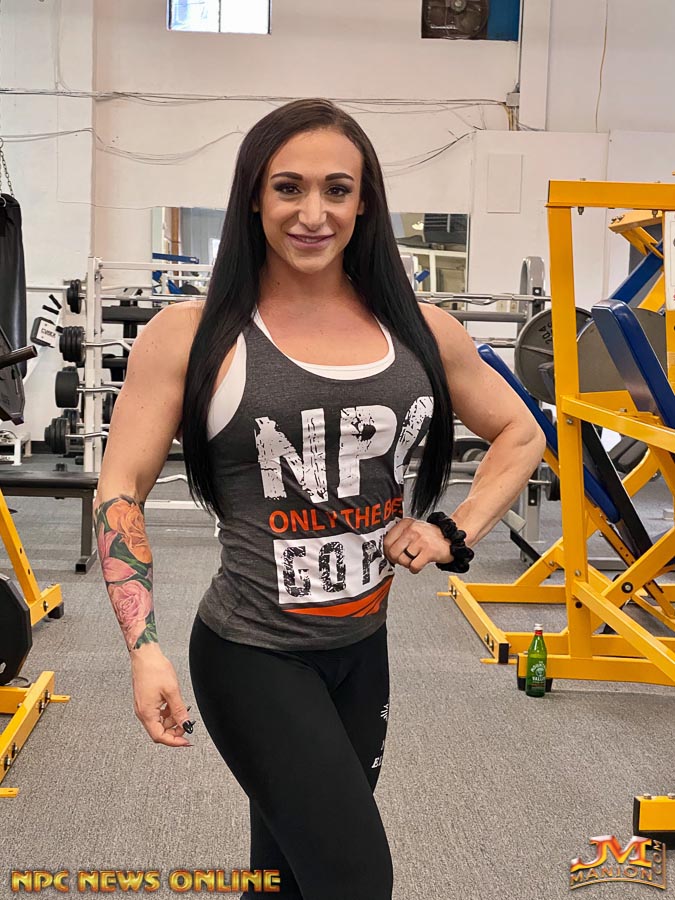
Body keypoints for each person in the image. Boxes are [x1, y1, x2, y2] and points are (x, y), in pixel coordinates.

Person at [94, 98, 545, 900]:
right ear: (254, 198)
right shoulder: (191, 336)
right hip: (251, 655)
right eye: (288, 188)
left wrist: (452, 529)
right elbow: (120, 488)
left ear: (363, 201)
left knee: (285, 878)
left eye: (336, 189)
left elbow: (520, 432)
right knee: (355, 879)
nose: (312, 214)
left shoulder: (420, 331)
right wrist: (143, 648)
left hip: (362, 652)